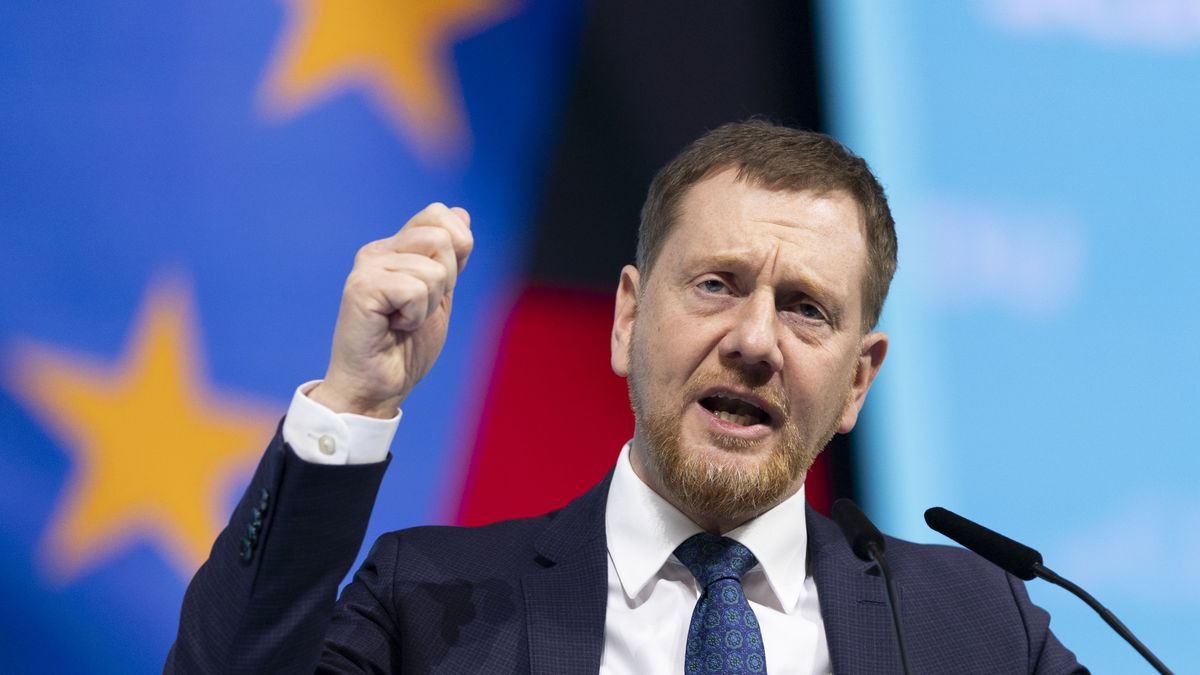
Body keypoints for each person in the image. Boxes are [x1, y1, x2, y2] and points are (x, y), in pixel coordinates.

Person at [166, 121, 1086, 673]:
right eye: (717, 284)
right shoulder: (434, 603)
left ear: (858, 378)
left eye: (806, 308)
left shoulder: (974, 622)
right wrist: (355, 401)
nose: (755, 341)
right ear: (627, 319)